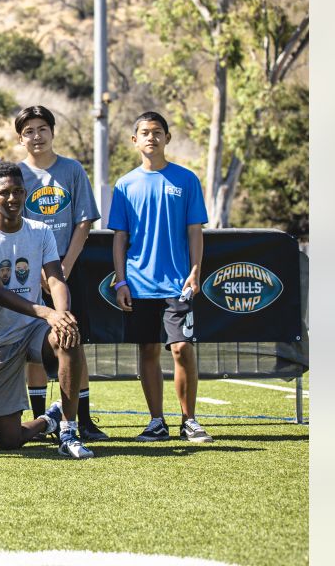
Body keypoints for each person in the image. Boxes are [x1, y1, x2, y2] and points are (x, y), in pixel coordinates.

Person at [0, 162, 95, 459]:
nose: (12, 199)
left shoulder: (41, 230)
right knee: (8, 441)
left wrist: (61, 315)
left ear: (25, 193)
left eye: (18, 192)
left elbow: (55, 279)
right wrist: (49, 313)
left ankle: (68, 430)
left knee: (69, 335)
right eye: (4, 193)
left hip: (35, 331)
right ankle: (48, 418)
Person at [107, 111, 212, 443]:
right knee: (148, 351)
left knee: (180, 348)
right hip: (138, 285)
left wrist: (195, 271)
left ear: (168, 138)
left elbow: (194, 231)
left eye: (157, 132)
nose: (151, 137)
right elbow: (120, 238)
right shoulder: (124, 185)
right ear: (134, 140)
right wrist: (121, 281)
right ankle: (156, 422)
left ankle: (189, 421)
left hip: (177, 284)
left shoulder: (186, 180)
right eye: (145, 132)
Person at [14, 105, 108, 441]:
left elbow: (84, 221)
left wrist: (63, 266)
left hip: (69, 273)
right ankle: (41, 421)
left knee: (73, 341)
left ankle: (81, 419)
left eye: (42, 129)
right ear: (20, 138)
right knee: (36, 347)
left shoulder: (71, 170)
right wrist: (35, 269)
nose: (36, 136)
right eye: (28, 131)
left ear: (53, 132)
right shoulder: (17, 175)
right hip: (28, 276)